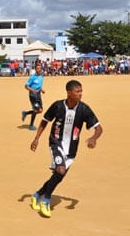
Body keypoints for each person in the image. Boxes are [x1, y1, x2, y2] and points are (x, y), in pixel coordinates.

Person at [29, 80, 103, 217]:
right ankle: (45, 201)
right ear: (69, 93)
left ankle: (37, 194)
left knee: (58, 176)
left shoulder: (84, 109)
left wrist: (94, 138)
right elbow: (45, 121)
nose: (81, 94)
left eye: (81, 91)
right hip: (56, 143)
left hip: (71, 150)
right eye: (78, 91)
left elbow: (99, 128)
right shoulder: (57, 106)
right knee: (61, 170)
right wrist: (36, 138)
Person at [22, 64, 45, 131]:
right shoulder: (32, 77)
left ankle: (26, 113)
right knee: (36, 110)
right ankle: (31, 125)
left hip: (38, 95)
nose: (39, 69)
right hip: (33, 95)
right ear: (35, 69)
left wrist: (41, 90)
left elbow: (39, 86)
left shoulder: (41, 77)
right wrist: (33, 90)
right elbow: (26, 86)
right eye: (38, 68)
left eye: (40, 68)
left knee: (40, 110)